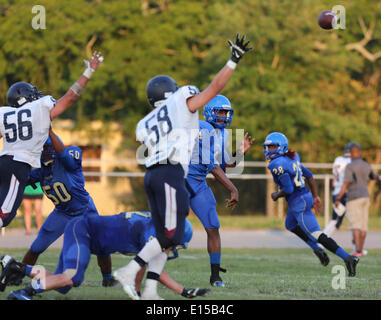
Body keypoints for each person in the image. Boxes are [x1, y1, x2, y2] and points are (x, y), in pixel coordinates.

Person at [114, 33, 253, 300]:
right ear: (173, 92)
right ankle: (130, 270)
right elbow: (213, 89)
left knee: (170, 235)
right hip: (174, 175)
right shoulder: (187, 105)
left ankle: (150, 289)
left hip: (154, 175)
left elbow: (146, 142)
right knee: (173, 234)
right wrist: (233, 60)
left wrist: (238, 153)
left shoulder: (146, 122)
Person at [0, 212, 209, 300]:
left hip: (86, 234)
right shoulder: (151, 231)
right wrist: (183, 292)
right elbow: (156, 269)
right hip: (83, 230)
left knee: (63, 285)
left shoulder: (154, 228)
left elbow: (143, 269)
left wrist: (136, 293)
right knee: (72, 277)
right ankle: (23, 293)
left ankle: (18, 268)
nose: (171, 249)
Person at [0, 51, 103, 229]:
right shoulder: (40, 108)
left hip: (4, 163)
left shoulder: (4, 113)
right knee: (5, 215)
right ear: (26, 98)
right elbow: (70, 97)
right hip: (18, 165)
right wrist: (88, 72)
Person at [12, 128, 117, 287]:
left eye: (46, 148)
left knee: (101, 245)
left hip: (84, 211)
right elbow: (19, 180)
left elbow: (63, 155)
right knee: (36, 247)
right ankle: (17, 275)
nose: (43, 152)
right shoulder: (42, 171)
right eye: (41, 149)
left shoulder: (70, 155)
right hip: (61, 213)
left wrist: (49, 131)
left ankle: (108, 278)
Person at [263, 132, 359, 277]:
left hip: (298, 202)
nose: (269, 150)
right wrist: (315, 196)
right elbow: (309, 175)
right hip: (304, 196)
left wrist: (277, 195)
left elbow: (288, 189)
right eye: (268, 147)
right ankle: (317, 249)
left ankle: (348, 258)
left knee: (316, 234)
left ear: (281, 147)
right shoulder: (293, 156)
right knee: (290, 225)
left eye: (273, 146)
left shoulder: (277, 164)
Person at [186, 95, 254, 287]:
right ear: (209, 112)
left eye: (226, 113)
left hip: (198, 183)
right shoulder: (203, 127)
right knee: (173, 229)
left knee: (213, 227)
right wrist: (233, 189)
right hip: (182, 180)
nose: (224, 116)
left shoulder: (222, 134)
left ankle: (215, 276)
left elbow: (224, 166)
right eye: (220, 112)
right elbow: (212, 166)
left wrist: (241, 151)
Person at [335, 142, 379, 257]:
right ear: (359, 152)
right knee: (363, 225)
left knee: (355, 225)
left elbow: (346, 183)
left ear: (350, 153)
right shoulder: (365, 164)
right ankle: (360, 250)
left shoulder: (350, 166)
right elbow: (373, 176)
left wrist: (339, 198)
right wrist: (378, 176)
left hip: (354, 197)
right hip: (365, 196)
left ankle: (357, 251)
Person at [323, 143, 352, 237]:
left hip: (336, 192)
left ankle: (320, 241)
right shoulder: (350, 161)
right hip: (345, 193)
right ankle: (357, 248)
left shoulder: (338, 159)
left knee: (336, 221)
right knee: (352, 221)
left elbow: (334, 181)